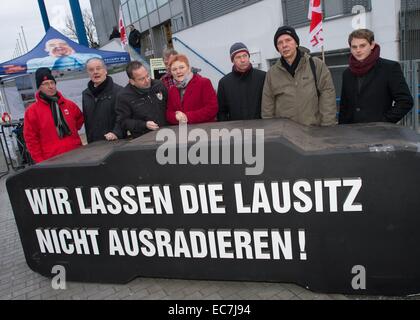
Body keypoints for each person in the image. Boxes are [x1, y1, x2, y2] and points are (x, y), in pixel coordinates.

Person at [261, 26, 337, 126]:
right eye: (280, 43)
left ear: (296, 43)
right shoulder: (272, 73)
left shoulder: (316, 65)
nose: (284, 45)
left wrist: (328, 127)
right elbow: (267, 108)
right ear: (277, 48)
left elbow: (328, 96)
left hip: (313, 131)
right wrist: (272, 132)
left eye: (288, 40)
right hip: (286, 135)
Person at [339, 29, 413, 124]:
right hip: (352, 133)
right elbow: (344, 106)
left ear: (372, 45)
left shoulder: (389, 68)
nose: (358, 50)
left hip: (379, 133)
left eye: (362, 45)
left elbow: (405, 101)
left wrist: (384, 122)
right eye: (354, 47)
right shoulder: (347, 73)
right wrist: (342, 130)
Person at [23, 67, 84, 163]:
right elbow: (31, 140)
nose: (50, 86)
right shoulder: (32, 111)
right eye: (46, 84)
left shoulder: (68, 104)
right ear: (39, 87)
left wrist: (72, 136)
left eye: (52, 82)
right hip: (52, 160)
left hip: (76, 153)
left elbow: (79, 119)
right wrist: (40, 161)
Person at [116, 61, 168, 139]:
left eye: (147, 76)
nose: (147, 81)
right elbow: (123, 122)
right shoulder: (124, 96)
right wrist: (144, 124)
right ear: (132, 81)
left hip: (167, 133)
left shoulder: (158, 85)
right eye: (141, 79)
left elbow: (169, 105)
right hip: (144, 139)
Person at [217, 42, 266, 121]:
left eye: (245, 56)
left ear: (249, 57)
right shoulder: (224, 83)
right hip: (236, 131)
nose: (243, 60)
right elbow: (221, 112)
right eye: (238, 57)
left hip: (261, 129)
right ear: (232, 60)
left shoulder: (262, 77)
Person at [166, 54, 218, 125]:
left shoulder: (204, 83)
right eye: (174, 69)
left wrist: (187, 117)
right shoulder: (172, 90)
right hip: (182, 133)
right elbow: (169, 113)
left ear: (188, 68)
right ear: (171, 72)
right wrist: (175, 116)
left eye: (181, 67)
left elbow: (212, 109)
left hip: (205, 131)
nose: (178, 71)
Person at [82, 58, 124, 143]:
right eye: (91, 70)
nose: (95, 72)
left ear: (105, 70)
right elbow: (87, 122)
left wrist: (116, 133)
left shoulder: (119, 91)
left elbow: (123, 116)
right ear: (88, 73)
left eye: (98, 68)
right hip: (94, 145)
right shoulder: (86, 94)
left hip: (115, 142)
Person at [27, 39, 101, 73]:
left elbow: (96, 58)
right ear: (46, 49)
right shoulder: (36, 62)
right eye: (52, 45)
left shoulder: (91, 56)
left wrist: (72, 54)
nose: (58, 47)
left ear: (69, 46)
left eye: (62, 44)